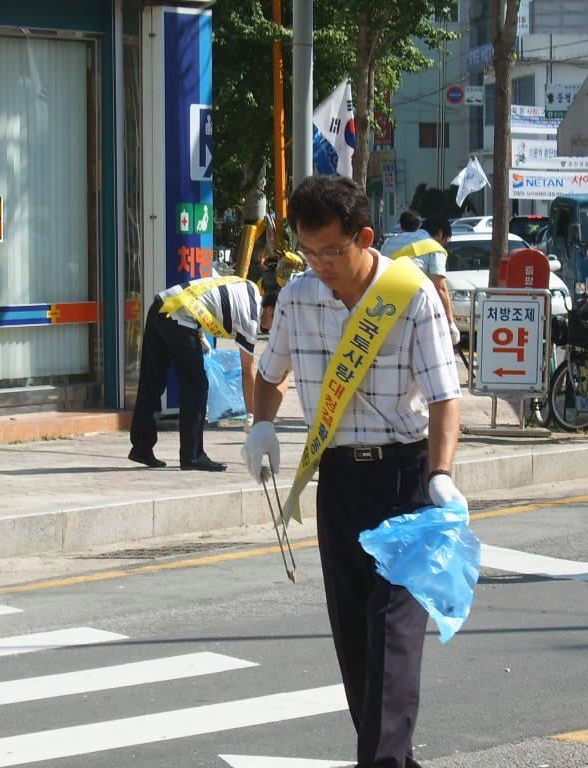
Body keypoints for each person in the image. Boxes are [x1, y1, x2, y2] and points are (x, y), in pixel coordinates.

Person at [241, 175, 464, 768]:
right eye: (307, 251)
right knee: (355, 643)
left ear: (364, 237)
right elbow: (270, 373)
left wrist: (441, 475)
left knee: (392, 632)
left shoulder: (410, 295)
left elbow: (446, 398)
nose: (320, 264)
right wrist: (261, 424)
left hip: (406, 481)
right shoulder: (297, 296)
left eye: (331, 251)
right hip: (338, 481)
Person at [129, 278, 276, 471]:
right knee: (196, 386)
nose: (275, 329)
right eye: (278, 322)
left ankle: (141, 447)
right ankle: (193, 455)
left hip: (161, 306)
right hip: (178, 318)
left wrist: (199, 333)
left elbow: (206, 299)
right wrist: (253, 417)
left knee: (152, 380)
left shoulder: (247, 287)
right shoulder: (250, 314)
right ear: (272, 309)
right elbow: (248, 370)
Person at [380, 213, 461, 346]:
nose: (444, 244)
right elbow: (440, 288)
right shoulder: (434, 248)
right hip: (411, 309)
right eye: (446, 240)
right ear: (441, 234)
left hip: (380, 306)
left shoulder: (390, 241)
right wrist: (450, 323)